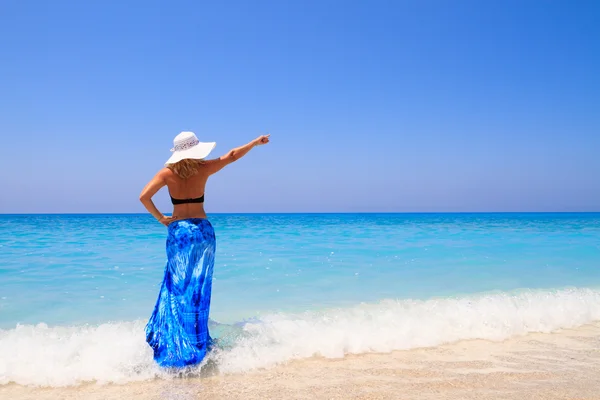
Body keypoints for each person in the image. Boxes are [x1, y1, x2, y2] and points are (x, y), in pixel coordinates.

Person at [139, 130, 270, 368]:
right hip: (203, 232)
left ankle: (177, 345)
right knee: (199, 288)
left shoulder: (166, 173)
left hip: (180, 233)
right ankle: (198, 342)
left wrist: (161, 218)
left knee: (177, 287)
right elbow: (231, 156)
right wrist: (254, 143)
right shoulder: (204, 168)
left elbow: (144, 197)